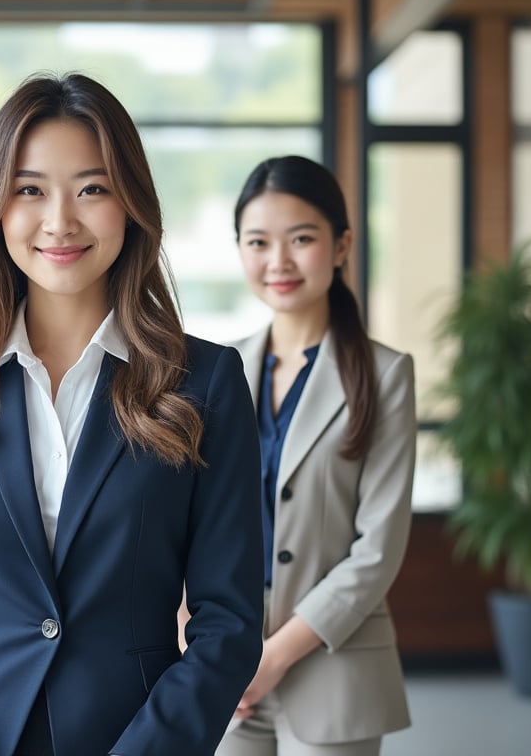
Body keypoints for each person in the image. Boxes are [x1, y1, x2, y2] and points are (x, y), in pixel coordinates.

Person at [0, 72, 264, 756]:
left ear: (131, 205)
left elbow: (229, 622)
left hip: (134, 737)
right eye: (31, 189)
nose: (60, 220)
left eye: (92, 189)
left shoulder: (206, 383)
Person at [215, 155, 416, 756]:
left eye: (301, 238)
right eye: (258, 242)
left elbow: (377, 550)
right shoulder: (219, 370)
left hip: (335, 659)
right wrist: (193, 634)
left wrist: (274, 656)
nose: (278, 261)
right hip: (227, 661)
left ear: (340, 244)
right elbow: (190, 521)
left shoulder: (384, 375)